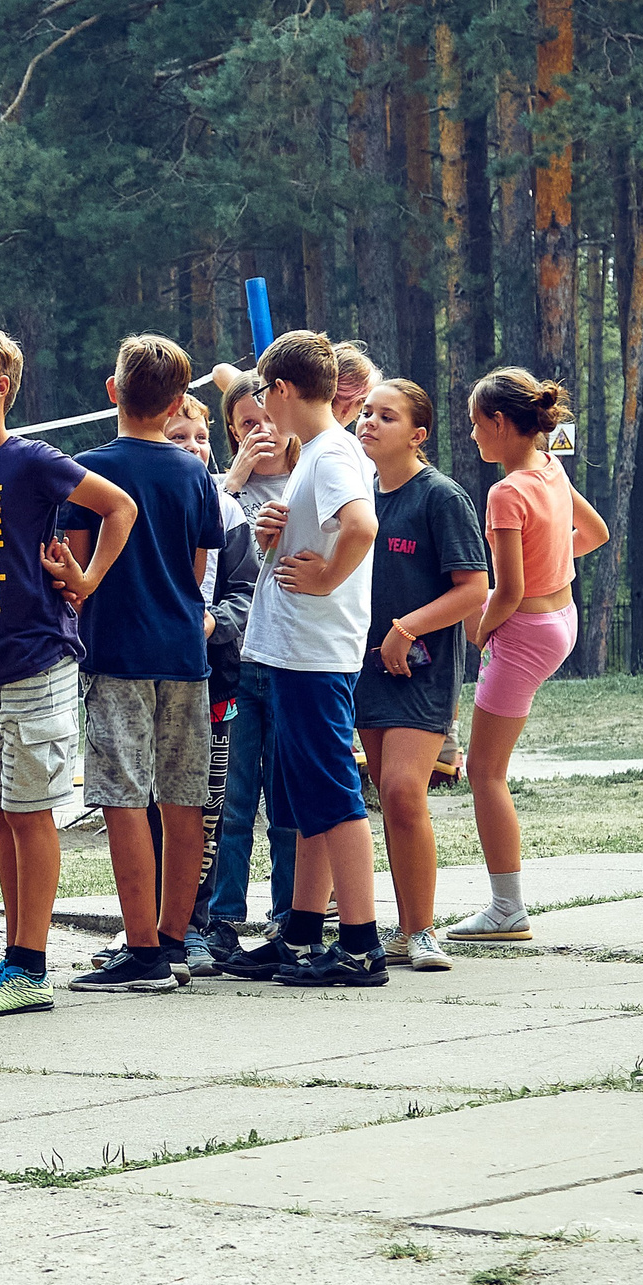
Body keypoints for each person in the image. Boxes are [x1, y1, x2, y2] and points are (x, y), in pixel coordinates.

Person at [0, 329, 137, 1018]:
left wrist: (88, 579)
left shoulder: (32, 461)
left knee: (30, 811)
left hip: (36, 658)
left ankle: (29, 965)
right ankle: (14, 960)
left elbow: (118, 507)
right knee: (2, 819)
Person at [60, 334, 225, 992]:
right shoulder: (195, 474)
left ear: (112, 391)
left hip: (116, 650)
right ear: (179, 401)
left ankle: (142, 948)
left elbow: (75, 571)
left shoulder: (87, 471)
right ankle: (177, 942)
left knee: (122, 797)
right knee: (184, 796)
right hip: (184, 652)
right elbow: (196, 572)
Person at [238, 329, 384, 988]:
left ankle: (360, 944)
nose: (264, 407)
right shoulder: (320, 455)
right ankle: (300, 933)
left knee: (333, 796)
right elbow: (329, 528)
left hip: (316, 652)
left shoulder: (330, 455)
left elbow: (361, 527)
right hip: (299, 650)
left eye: (266, 393)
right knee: (308, 797)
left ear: (283, 390)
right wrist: (279, 531)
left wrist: (325, 578)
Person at [447, 367, 610, 943]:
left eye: (475, 425)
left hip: (524, 632)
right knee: (488, 769)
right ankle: (504, 905)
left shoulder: (506, 492)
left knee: (485, 772)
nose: (472, 436)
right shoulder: (551, 468)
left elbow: (509, 591)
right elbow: (595, 534)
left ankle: (506, 908)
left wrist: (479, 634)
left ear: (499, 422)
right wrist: (545, 563)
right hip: (560, 619)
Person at [352, 381, 487, 971]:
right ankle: (404, 931)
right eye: (365, 413)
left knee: (406, 791)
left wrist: (406, 629)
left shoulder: (440, 497)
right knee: (387, 796)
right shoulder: (358, 496)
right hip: (362, 669)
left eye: (386, 415)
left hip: (421, 672)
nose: (369, 423)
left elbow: (473, 590)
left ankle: (422, 930)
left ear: (419, 434)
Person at [206, 377, 299, 949]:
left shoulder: (314, 473)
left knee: (287, 799)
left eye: (267, 416)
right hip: (237, 662)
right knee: (235, 800)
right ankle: (223, 918)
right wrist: (236, 477)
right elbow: (204, 538)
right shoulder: (222, 491)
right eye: (245, 423)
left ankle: (291, 916)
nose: (260, 431)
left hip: (293, 656)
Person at [169, 396, 258, 977]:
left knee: (208, 812)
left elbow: (250, 593)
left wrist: (214, 623)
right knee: (149, 809)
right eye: (180, 438)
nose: (195, 449)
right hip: (146, 681)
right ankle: (150, 930)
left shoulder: (226, 512)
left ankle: (197, 927)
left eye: (201, 439)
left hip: (214, 689)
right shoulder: (128, 504)